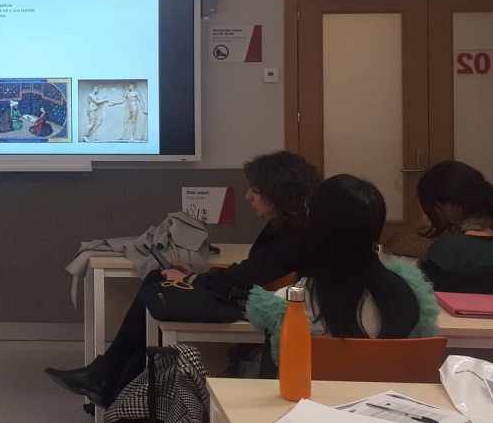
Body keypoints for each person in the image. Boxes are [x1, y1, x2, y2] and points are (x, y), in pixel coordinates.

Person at [45, 150, 320, 406]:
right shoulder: (286, 226)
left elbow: (245, 278)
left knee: (157, 289)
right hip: (250, 296)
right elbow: (251, 272)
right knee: (156, 279)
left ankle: (109, 378)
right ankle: (110, 377)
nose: (248, 196)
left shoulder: (292, 236)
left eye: (256, 191)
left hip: (254, 306)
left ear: (279, 194)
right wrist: (194, 277)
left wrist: (191, 281)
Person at [246, 174, 437, 368]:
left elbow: (272, 376)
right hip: (386, 387)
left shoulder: (287, 306)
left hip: (310, 388)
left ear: (314, 226)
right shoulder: (407, 297)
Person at [417, 160, 493, 273]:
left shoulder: (447, 247)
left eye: (430, 206)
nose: (427, 213)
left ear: (451, 204)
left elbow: (419, 281)